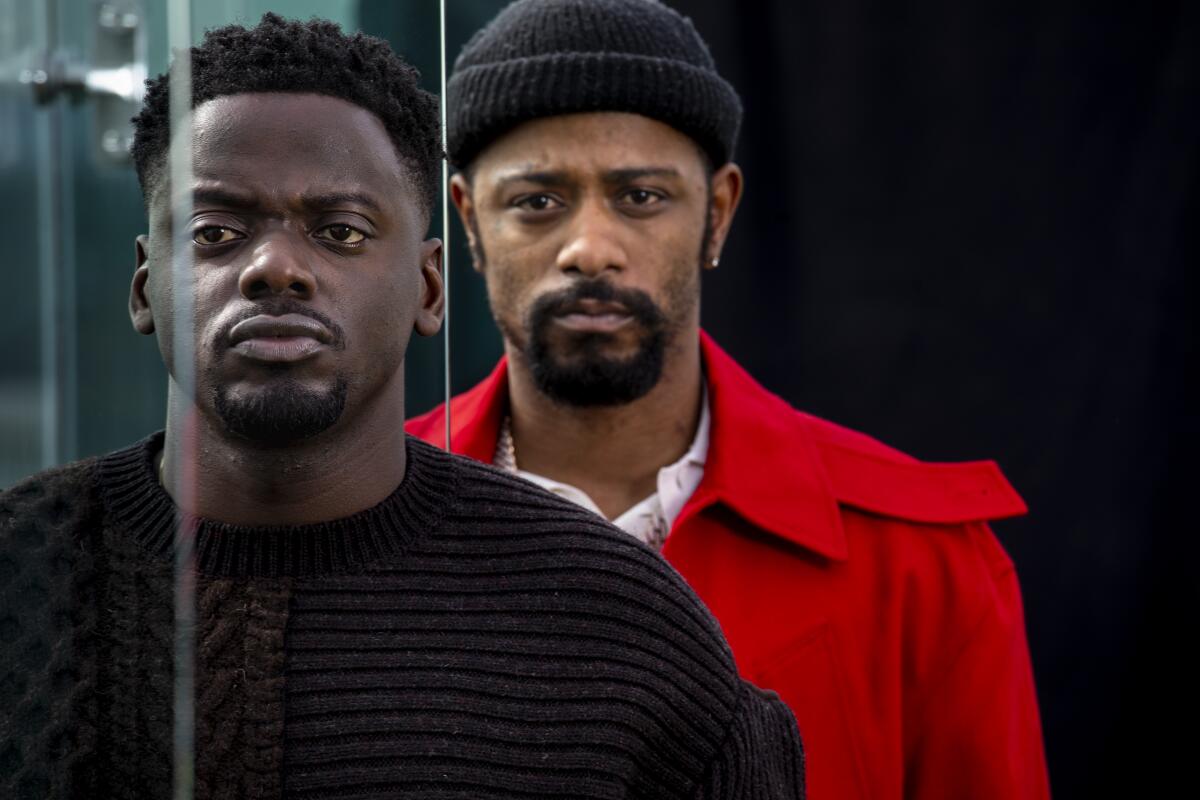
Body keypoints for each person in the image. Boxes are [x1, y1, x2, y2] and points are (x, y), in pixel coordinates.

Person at [0, 14, 806, 799]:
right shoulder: (21, 570)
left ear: (428, 286)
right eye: (216, 231)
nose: (275, 267)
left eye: (342, 231)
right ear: (144, 285)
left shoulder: (623, 627)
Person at [407, 1, 1051, 797]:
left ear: (717, 214)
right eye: (537, 201)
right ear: (469, 222)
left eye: (640, 196)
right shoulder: (364, 518)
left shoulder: (921, 563)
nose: (589, 249)